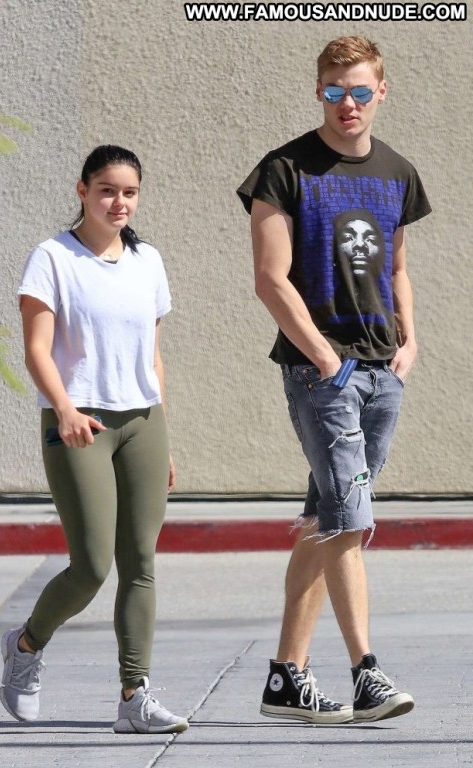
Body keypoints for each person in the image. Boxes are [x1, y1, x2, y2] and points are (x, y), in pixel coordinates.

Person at [237, 35, 431, 724]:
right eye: (333, 91)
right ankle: (366, 672)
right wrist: (323, 357)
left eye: (359, 92)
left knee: (327, 518)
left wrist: (410, 339)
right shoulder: (283, 170)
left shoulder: (398, 172)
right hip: (322, 373)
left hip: (383, 370)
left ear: (381, 92)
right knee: (350, 519)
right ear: (318, 91)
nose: (347, 104)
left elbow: (396, 267)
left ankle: (286, 677)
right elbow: (270, 278)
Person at [0, 144, 189, 734]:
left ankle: (135, 696)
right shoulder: (52, 258)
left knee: (141, 561)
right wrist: (64, 409)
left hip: (142, 423)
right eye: (107, 190)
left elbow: (152, 354)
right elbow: (36, 349)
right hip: (79, 424)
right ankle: (26, 646)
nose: (119, 202)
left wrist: (164, 435)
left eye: (130, 192)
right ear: (83, 191)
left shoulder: (148, 261)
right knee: (90, 567)